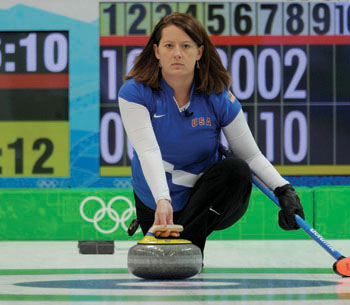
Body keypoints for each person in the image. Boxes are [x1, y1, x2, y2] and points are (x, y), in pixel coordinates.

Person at [118, 12, 305, 254]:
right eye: (169, 45)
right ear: (156, 52)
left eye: (186, 46)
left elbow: (250, 156)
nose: (177, 53)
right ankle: (178, 239)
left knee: (237, 170)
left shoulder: (218, 96)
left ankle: (188, 244)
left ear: (199, 52)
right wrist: (163, 201)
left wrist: (284, 190)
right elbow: (147, 151)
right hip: (154, 200)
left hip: (201, 201)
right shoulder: (134, 92)